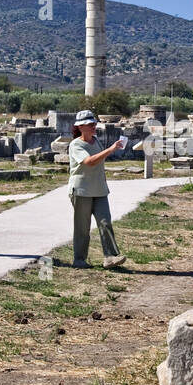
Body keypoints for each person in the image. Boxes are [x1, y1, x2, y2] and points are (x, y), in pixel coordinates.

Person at [67, 109, 126, 269]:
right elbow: (89, 161)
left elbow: (99, 159)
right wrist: (110, 149)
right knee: (82, 227)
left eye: (94, 124)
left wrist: (111, 150)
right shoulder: (76, 145)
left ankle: (110, 257)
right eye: (90, 124)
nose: (93, 127)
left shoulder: (96, 141)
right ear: (80, 127)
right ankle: (79, 260)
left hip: (99, 189)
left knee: (105, 222)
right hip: (81, 190)